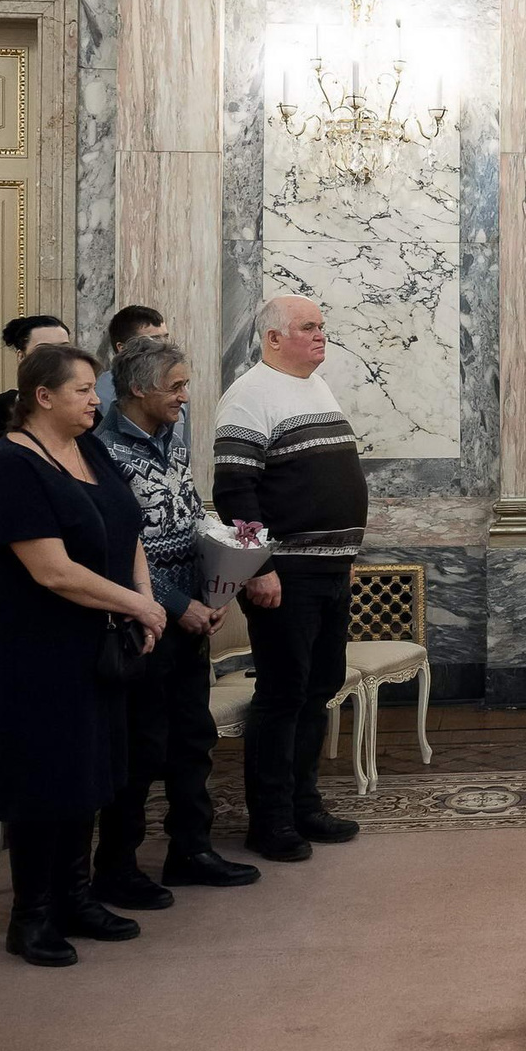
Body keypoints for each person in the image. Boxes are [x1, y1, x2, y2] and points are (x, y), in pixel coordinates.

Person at [0, 342, 164, 966]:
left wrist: (142, 596)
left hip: (91, 642)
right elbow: (51, 570)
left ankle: (75, 899)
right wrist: (138, 608)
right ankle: (31, 917)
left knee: (87, 769)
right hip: (32, 651)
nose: (95, 401)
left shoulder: (89, 447)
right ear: (43, 396)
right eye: (83, 390)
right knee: (43, 775)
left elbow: (127, 526)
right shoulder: (9, 463)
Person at [92, 335, 260, 901]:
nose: (185, 397)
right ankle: (117, 868)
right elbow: (116, 551)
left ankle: (191, 850)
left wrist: (220, 582)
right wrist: (176, 605)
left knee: (193, 737)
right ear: (140, 389)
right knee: (140, 746)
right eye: (177, 386)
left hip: (193, 616)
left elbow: (189, 518)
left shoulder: (175, 440)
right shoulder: (102, 453)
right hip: (140, 624)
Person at [213, 295, 367, 863]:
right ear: (273, 338)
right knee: (282, 693)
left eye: (322, 326)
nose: (321, 335)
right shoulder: (249, 395)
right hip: (284, 574)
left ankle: (305, 805)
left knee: (319, 686)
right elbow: (234, 493)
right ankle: (270, 820)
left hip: (330, 568)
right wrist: (258, 567)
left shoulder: (315, 387)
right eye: (308, 327)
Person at [0, 314, 73, 471]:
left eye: (64, 348)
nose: (57, 357)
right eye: (44, 350)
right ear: (21, 356)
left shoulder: (84, 405)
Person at [95, 305, 168, 411]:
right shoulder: (102, 393)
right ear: (123, 348)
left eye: (166, 337)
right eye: (154, 339)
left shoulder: (177, 388)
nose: (165, 346)